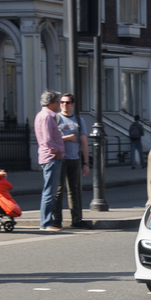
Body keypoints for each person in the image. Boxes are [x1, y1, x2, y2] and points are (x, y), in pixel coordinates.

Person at [53, 93, 90, 229]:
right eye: (62, 102)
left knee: (75, 190)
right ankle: (57, 219)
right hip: (60, 159)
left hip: (74, 159)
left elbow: (84, 143)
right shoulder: (56, 118)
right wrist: (68, 138)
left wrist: (86, 163)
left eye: (67, 102)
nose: (64, 105)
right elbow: (51, 140)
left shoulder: (79, 121)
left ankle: (77, 219)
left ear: (72, 104)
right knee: (58, 190)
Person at [34, 91, 65, 231]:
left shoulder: (44, 115)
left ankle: (47, 221)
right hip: (51, 157)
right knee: (50, 192)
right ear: (50, 103)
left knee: (50, 191)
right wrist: (57, 152)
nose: (59, 105)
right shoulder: (47, 117)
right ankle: (46, 223)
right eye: (58, 102)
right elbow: (47, 140)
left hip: (49, 156)